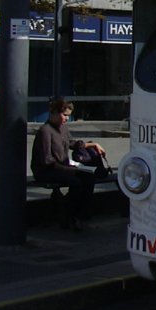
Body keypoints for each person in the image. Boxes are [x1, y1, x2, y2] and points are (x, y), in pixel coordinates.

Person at [30, 98, 101, 230]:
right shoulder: (45, 131)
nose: (66, 119)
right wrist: (70, 169)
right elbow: (47, 160)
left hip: (60, 167)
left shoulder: (63, 128)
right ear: (55, 113)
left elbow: (72, 143)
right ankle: (69, 214)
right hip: (47, 171)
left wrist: (92, 145)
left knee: (89, 177)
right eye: (64, 115)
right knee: (77, 181)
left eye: (68, 115)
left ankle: (78, 216)